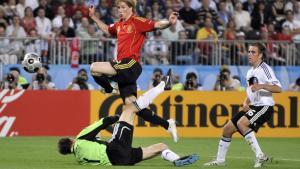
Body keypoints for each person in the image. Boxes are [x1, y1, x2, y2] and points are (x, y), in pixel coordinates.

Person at [58, 76, 199, 166]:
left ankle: (176, 159)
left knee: (161, 146)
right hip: (114, 150)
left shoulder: (80, 159)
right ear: (71, 140)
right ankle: (160, 88)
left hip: (122, 160)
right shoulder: (80, 138)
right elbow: (102, 122)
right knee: (130, 109)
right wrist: (116, 119)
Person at [88, 0, 179, 142]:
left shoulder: (137, 21)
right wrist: (93, 17)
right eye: (118, 7)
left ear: (131, 8)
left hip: (130, 65)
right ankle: (167, 124)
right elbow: (107, 29)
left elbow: (156, 25)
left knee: (94, 67)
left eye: (123, 7)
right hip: (123, 69)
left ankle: (110, 88)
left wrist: (169, 22)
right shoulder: (119, 25)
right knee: (133, 108)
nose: (120, 10)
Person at [204, 43, 282, 168]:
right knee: (227, 129)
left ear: (260, 55)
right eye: (249, 52)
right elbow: (252, 90)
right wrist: (246, 102)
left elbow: (278, 88)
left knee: (241, 123)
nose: (250, 54)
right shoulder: (251, 72)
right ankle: (220, 160)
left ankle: (260, 156)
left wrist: (262, 85)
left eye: (253, 52)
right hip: (255, 105)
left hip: (265, 106)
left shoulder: (265, 69)